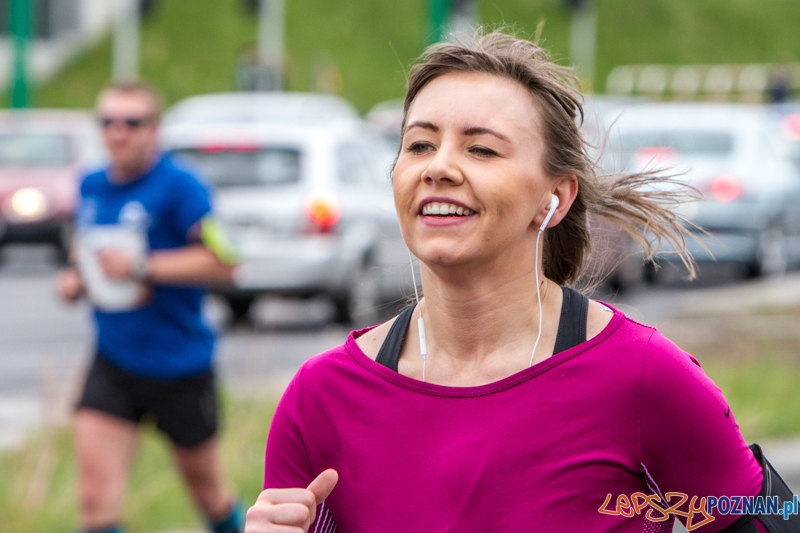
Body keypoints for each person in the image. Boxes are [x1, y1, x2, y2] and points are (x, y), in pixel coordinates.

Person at [245, 33, 792, 532]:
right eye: (419, 145)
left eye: (481, 148)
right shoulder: (321, 398)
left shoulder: (644, 376)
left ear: (555, 198)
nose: (439, 167)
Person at [57, 81, 243, 533]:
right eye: (108, 122)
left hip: (179, 364)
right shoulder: (91, 186)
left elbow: (224, 264)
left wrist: (142, 266)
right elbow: (87, 253)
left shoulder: (182, 187)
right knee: (94, 499)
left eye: (132, 122)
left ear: (154, 130)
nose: (119, 132)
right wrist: (77, 279)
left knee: (209, 493)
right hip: (113, 361)